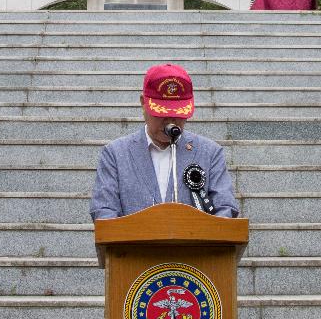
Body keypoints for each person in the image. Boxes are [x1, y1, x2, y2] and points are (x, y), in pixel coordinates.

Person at [90, 64, 239, 220]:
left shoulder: (210, 153)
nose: (170, 122)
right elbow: (104, 211)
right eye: (161, 113)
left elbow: (225, 209)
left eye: (177, 115)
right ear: (143, 103)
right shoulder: (115, 154)